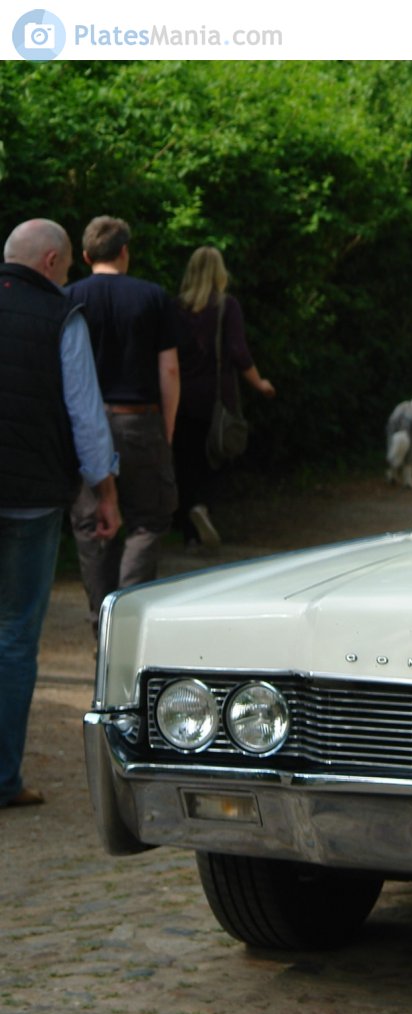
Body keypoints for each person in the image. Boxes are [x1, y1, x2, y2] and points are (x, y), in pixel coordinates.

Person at [1, 218, 121, 809]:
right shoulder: (60, 317)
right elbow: (85, 413)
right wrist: (105, 493)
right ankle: (2, 778)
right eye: (68, 265)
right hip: (30, 496)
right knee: (17, 634)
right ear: (50, 261)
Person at [66, 215, 181, 634]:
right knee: (148, 520)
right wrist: (165, 429)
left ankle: (101, 622)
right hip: (140, 422)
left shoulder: (68, 297)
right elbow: (168, 371)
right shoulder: (153, 297)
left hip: (83, 428)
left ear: (84, 255)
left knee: (90, 522)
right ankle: (128, 621)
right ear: (124, 252)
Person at [173, 247, 277, 548]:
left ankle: (190, 530)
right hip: (217, 399)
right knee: (216, 455)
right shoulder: (225, 306)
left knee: (186, 459)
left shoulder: (175, 306)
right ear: (219, 273)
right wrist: (260, 383)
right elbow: (237, 351)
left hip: (180, 397)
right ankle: (203, 508)